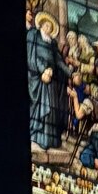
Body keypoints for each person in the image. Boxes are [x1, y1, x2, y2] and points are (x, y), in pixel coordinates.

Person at [28, 12, 70, 150]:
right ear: (41, 24)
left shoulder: (52, 42)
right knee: (40, 106)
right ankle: (36, 136)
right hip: (38, 77)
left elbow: (58, 60)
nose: (48, 28)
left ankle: (49, 140)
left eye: (50, 27)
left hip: (50, 78)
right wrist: (42, 70)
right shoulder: (34, 35)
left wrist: (71, 73)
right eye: (46, 25)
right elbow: (31, 55)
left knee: (51, 107)